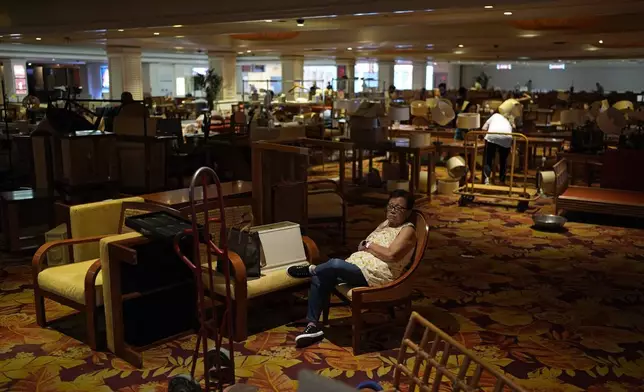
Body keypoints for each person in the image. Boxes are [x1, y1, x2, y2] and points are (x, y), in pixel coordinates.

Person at [288, 190, 417, 348]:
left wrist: (369, 246)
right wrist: (368, 246)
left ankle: (312, 269)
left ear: (408, 212)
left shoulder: (407, 230)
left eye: (398, 208)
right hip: (358, 267)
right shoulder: (385, 223)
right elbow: (363, 244)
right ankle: (312, 326)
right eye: (390, 206)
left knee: (334, 264)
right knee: (322, 276)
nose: (392, 210)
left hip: (377, 276)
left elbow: (390, 254)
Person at [482, 110, 514, 185]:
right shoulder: (509, 118)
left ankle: (486, 179)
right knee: (503, 160)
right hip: (506, 137)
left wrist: (485, 138)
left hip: (492, 135)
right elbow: (513, 129)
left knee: (488, 159)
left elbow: (483, 128)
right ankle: (502, 180)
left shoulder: (495, 115)